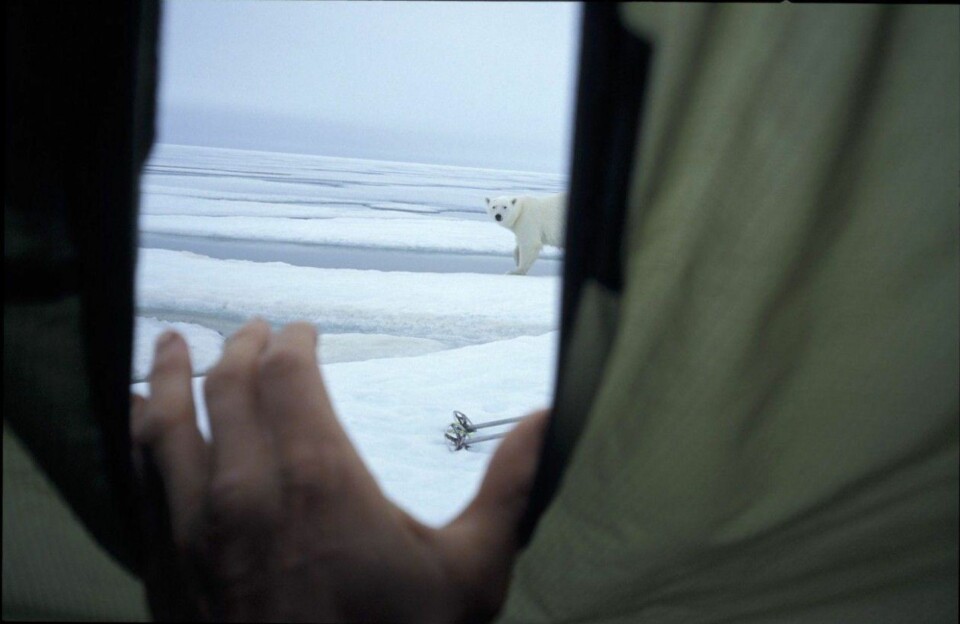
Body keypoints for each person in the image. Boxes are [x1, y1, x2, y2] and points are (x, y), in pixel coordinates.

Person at [7, 3, 958, 622]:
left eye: (503, 212)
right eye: (501, 212)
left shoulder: (533, 220)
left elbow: (532, 239)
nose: (502, 216)